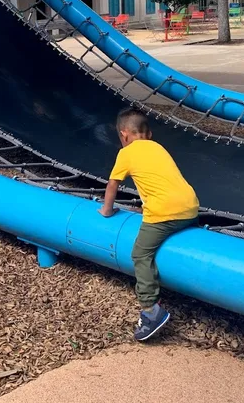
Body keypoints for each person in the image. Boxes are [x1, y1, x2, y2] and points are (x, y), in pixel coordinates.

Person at [99, 108, 199, 342]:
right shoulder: (158, 147)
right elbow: (162, 181)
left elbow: (113, 185)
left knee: (140, 254)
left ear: (124, 135)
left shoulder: (127, 153)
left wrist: (107, 210)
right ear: (150, 134)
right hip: (191, 207)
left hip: (164, 214)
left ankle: (150, 310)